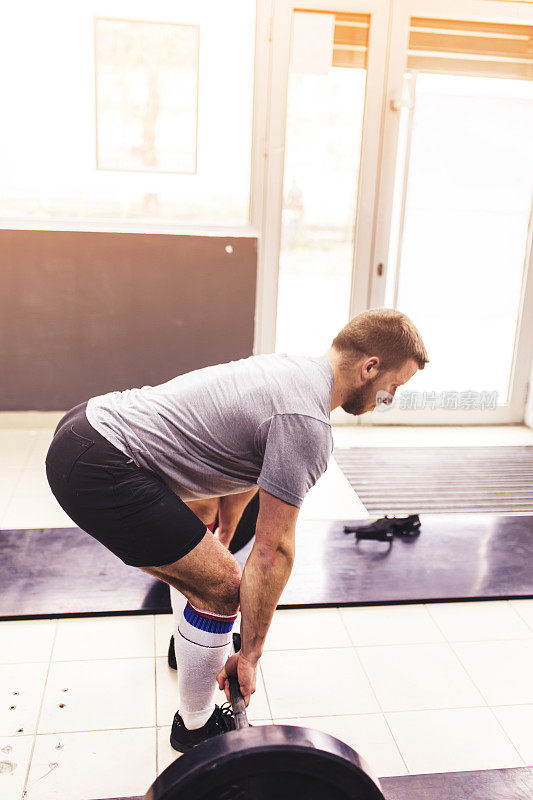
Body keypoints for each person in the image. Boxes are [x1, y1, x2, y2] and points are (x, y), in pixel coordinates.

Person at [45, 308, 428, 751]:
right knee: (224, 586)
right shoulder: (306, 423)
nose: (390, 398)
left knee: (206, 552)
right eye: (394, 387)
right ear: (370, 367)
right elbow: (273, 552)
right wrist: (249, 655)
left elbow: (246, 466)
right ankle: (194, 726)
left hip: (89, 424)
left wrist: (224, 533)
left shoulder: (296, 372)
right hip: (100, 464)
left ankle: (187, 643)